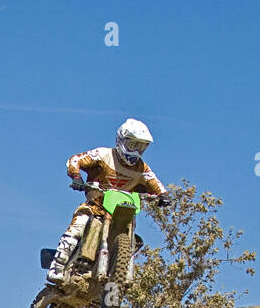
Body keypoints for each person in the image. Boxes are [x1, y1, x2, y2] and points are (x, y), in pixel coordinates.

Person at [45, 119, 170, 286]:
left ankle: (114, 280)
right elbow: (75, 160)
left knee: (135, 237)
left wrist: (163, 196)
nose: (136, 150)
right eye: (133, 144)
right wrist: (76, 177)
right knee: (79, 225)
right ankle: (57, 267)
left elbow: (155, 182)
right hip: (95, 207)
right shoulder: (103, 154)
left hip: (122, 212)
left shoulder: (142, 168)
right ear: (121, 140)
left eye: (141, 146)